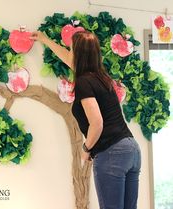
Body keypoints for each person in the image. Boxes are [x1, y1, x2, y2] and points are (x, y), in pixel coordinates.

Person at [30, 30, 141, 209]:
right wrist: (44, 40)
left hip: (111, 152)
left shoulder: (83, 82)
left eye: (72, 49)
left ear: (79, 54)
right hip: (132, 150)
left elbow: (97, 123)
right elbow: (67, 58)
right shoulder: (102, 77)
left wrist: (86, 148)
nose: (69, 52)